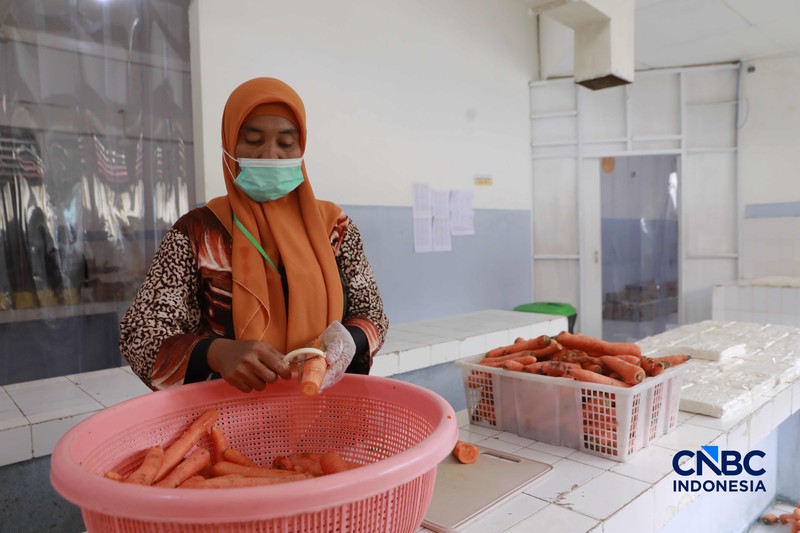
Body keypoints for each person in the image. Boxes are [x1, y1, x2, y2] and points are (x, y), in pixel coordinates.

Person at [120, 77, 388, 393]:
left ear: (301, 150)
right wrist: (216, 353)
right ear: (229, 145)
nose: (269, 155)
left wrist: (348, 340)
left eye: (286, 144)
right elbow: (140, 334)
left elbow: (371, 314)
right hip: (227, 419)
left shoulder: (335, 228)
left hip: (324, 408)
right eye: (253, 140)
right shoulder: (198, 233)